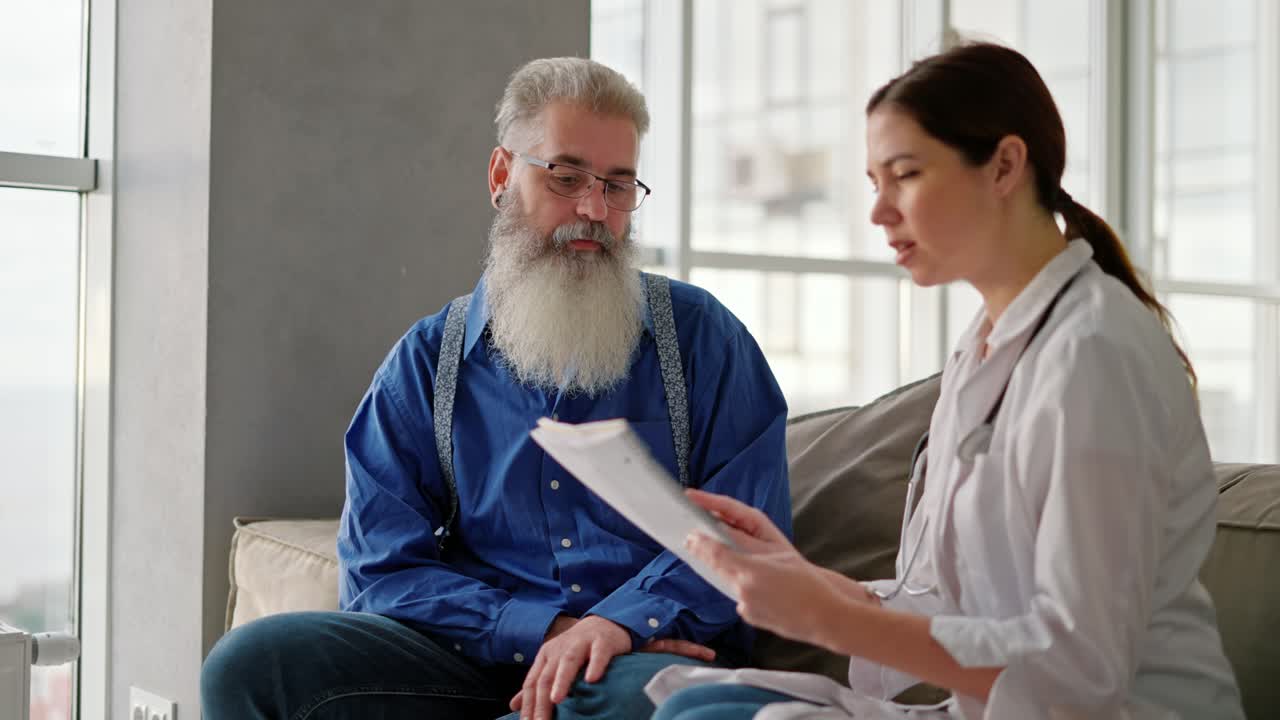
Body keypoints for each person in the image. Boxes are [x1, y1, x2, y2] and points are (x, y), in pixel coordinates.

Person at [645, 43, 1244, 719]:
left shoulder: (1094, 353)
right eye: (874, 183)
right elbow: (944, 603)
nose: (879, 212)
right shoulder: (984, 349)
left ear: (1005, 166)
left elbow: (1080, 669)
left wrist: (827, 620)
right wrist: (801, 580)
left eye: (904, 175)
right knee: (699, 708)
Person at [200, 57, 791, 720]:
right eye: (566, 177)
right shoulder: (427, 363)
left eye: (618, 186)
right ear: (502, 175)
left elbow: (743, 541)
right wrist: (541, 630)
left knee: (625, 700)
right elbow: (380, 570)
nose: (594, 210)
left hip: (632, 660)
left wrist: (613, 626)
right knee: (255, 664)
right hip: (468, 660)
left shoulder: (704, 341)